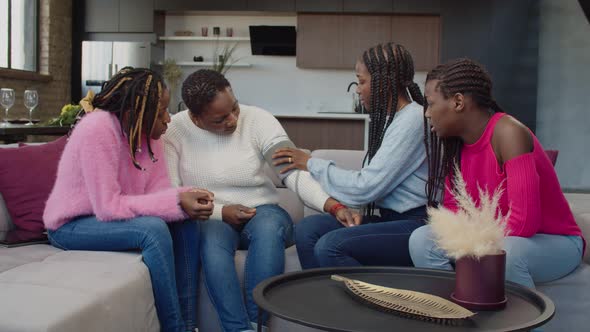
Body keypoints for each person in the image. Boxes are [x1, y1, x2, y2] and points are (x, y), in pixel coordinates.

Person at [163, 69, 359, 332]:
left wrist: (331, 204)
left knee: (269, 229)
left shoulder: (258, 120)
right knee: (211, 243)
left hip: (263, 211)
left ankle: (257, 325)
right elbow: (175, 194)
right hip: (212, 215)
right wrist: (222, 212)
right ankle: (238, 329)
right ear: (196, 119)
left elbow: (293, 175)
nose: (233, 120)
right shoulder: (174, 130)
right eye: (220, 119)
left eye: (234, 108)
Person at [43, 68, 214, 332]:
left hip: (106, 216)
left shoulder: (150, 137)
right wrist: (177, 201)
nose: (168, 119)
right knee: (153, 230)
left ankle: (189, 326)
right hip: (71, 225)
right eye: (160, 113)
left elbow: (157, 195)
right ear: (134, 113)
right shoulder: (96, 129)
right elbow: (108, 207)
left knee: (186, 222)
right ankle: (175, 328)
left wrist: (183, 199)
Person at [408, 58, 584, 288]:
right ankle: (455, 310)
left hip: (555, 241)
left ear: (458, 101)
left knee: (506, 253)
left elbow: (524, 223)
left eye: (431, 104)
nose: (428, 114)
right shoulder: (454, 146)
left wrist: (472, 244)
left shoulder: (510, 133)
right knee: (421, 240)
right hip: (495, 238)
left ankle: (524, 323)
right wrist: (468, 240)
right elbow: (453, 213)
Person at [273, 42, 428, 269]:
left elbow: (366, 187)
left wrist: (311, 163)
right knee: (307, 230)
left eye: (362, 81)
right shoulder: (390, 121)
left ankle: (358, 302)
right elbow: (371, 183)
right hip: (387, 219)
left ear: (385, 83)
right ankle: (317, 300)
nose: (357, 89)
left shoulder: (413, 119)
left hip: (412, 224)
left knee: (330, 246)